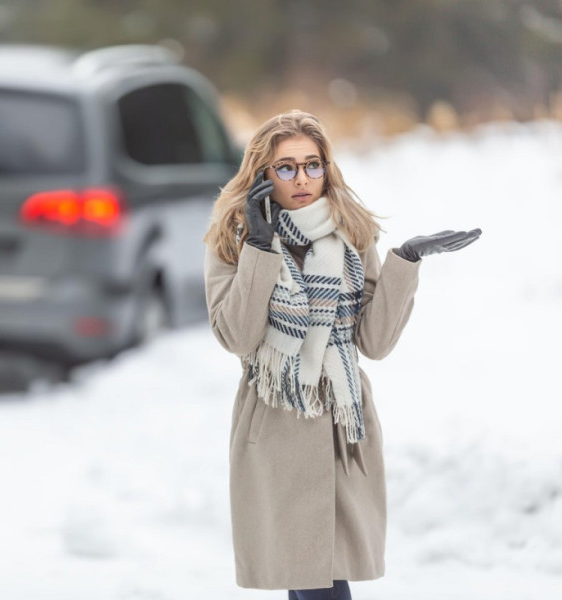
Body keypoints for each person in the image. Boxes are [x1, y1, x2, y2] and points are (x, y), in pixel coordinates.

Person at [201, 110, 480, 599]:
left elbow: (374, 342)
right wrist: (261, 249)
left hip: (341, 422)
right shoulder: (233, 237)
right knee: (312, 577)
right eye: (286, 167)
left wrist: (406, 261)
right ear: (262, 174)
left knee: (320, 576)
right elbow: (237, 337)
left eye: (313, 164)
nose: (302, 178)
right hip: (275, 423)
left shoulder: (351, 232)